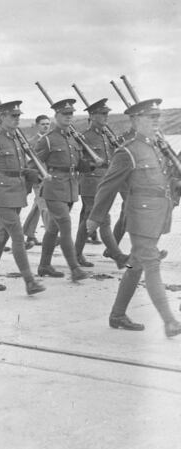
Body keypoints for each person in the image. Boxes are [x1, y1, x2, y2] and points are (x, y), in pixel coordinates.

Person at [88, 98, 181, 337]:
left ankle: (117, 315)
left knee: (134, 264)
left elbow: (166, 181)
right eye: (151, 118)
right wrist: (95, 218)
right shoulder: (128, 151)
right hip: (140, 218)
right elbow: (107, 187)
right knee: (151, 264)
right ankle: (170, 322)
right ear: (136, 121)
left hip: (158, 216)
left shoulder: (156, 147)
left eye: (158, 118)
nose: (156, 122)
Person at [0, 100, 45, 294]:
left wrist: (30, 173)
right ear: (2, 118)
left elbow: (19, 166)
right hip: (2, 193)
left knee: (2, 236)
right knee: (18, 236)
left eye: (18, 116)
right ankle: (29, 281)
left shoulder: (16, 139)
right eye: (12, 116)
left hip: (17, 191)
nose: (16, 119)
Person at [33, 98, 91, 281]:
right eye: (64, 114)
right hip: (53, 189)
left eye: (70, 114)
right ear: (56, 116)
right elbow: (32, 163)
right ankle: (74, 268)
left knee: (52, 229)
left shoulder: (73, 138)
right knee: (65, 226)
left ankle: (43, 265)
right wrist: (40, 178)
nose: (68, 117)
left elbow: (77, 164)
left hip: (70, 188)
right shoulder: (48, 140)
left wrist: (92, 165)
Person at [76, 98, 130, 269]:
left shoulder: (108, 135)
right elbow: (78, 162)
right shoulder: (85, 137)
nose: (106, 116)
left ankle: (76, 254)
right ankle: (118, 256)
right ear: (92, 116)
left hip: (106, 181)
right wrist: (92, 164)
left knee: (88, 219)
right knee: (103, 219)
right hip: (91, 182)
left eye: (107, 113)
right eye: (102, 114)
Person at [23, 115, 52, 248]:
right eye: (43, 124)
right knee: (45, 207)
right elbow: (30, 164)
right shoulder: (32, 142)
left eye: (47, 123)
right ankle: (50, 234)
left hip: (51, 178)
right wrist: (37, 177)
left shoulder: (52, 139)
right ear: (37, 126)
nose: (46, 126)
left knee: (37, 206)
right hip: (39, 179)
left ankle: (29, 233)